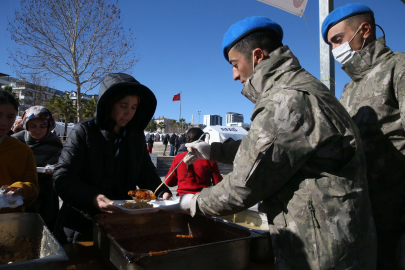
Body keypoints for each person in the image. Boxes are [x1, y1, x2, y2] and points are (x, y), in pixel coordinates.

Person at [171, 17, 377, 269]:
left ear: (257, 56)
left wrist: (193, 203)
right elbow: (269, 150)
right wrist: (214, 150)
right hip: (331, 238)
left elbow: (243, 186)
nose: (234, 75)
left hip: (322, 250)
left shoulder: (285, 99)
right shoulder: (298, 87)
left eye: (235, 64)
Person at [321, 4, 405, 269]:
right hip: (363, 211)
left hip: (397, 211)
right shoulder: (349, 89)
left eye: (338, 40)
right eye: (331, 45)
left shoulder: (398, 68)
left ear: (365, 30)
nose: (336, 50)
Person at [53, 73, 172, 243]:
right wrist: (92, 198)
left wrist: (162, 192)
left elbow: (146, 172)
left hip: (122, 223)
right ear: (109, 104)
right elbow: (62, 178)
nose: (129, 112)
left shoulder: (135, 136)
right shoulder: (84, 131)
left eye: (134, 107)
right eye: (123, 105)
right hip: (82, 224)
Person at [12, 106, 63, 231]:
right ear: (26, 125)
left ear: (49, 126)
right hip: (19, 190)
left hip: (46, 191)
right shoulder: (15, 142)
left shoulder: (54, 142)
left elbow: (61, 163)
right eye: (33, 126)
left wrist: (56, 168)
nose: (37, 130)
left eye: (42, 126)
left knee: (45, 227)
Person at [0, 90, 39, 214]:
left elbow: (33, 186)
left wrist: (21, 189)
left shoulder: (23, 150)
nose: (4, 123)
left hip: (9, 222)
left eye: (10, 117)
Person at [165, 128, 222, 196]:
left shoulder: (178, 158)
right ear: (203, 140)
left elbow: (169, 182)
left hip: (181, 199)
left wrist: (182, 179)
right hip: (203, 199)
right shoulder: (209, 159)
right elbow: (218, 182)